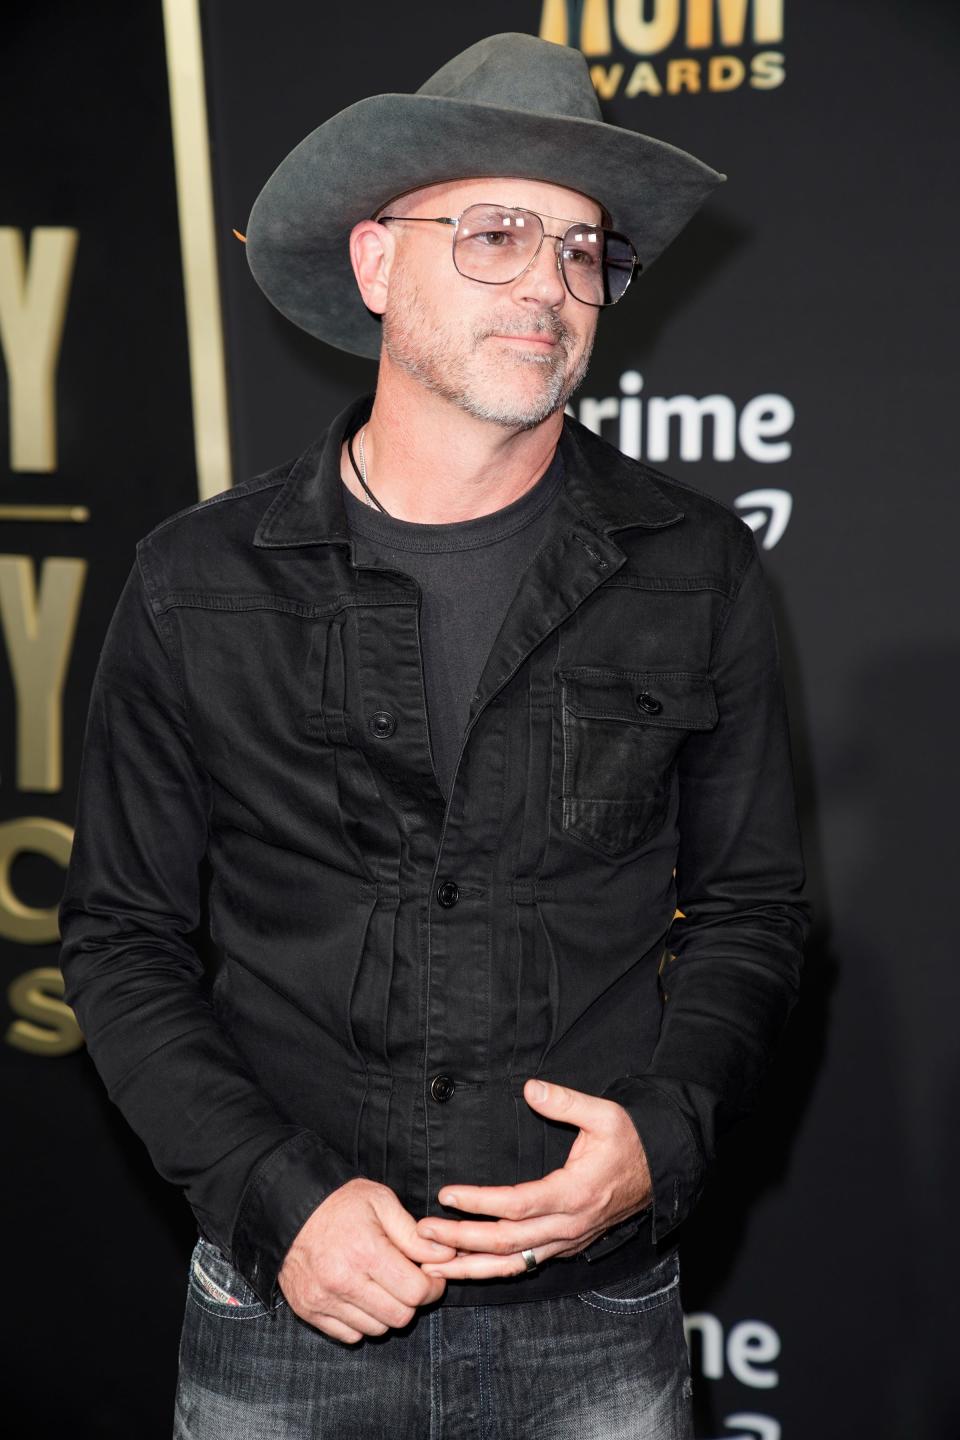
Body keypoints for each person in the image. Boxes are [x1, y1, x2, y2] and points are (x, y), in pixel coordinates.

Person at [58, 31, 809, 1440]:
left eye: (584, 250)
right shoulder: (196, 578)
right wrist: (276, 1200)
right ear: (376, 263)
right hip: (284, 1320)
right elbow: (121, 940)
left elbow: (754, 912)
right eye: (498, 232)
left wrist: (664, 1133)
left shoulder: (696, 569)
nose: (550, 284)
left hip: (594, 1326)